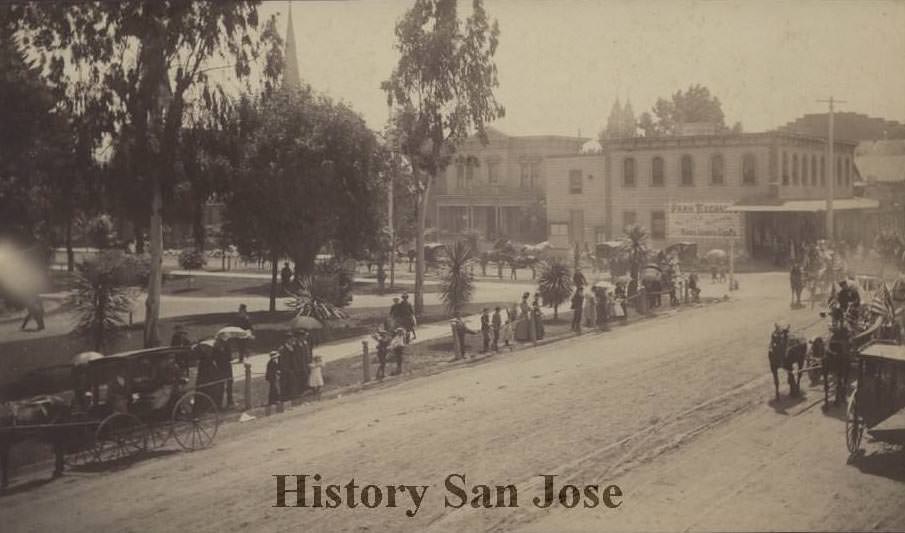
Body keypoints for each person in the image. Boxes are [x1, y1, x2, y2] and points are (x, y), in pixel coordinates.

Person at [212, 336, 234, 408]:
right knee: (228, 386)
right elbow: (230, 358)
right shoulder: (227, 345)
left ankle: (219, 403)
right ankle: (229, 402)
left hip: (220, 368)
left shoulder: (215, 346)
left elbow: (214, 358)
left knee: (220, 386)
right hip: (226, 368)